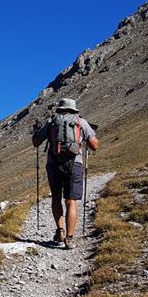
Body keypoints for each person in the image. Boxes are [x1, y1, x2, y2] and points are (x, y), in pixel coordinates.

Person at [32, 98, 99, 249]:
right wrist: (87, 138)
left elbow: (36, 142)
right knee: (71, 202)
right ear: (74, 109)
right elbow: (94, 145)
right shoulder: (81, 122)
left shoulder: (51, 121)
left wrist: (37, 130)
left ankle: (59, 231)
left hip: (53, 163)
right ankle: (69, 238)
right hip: (74, 163)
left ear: (60, 109)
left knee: (56, 198)